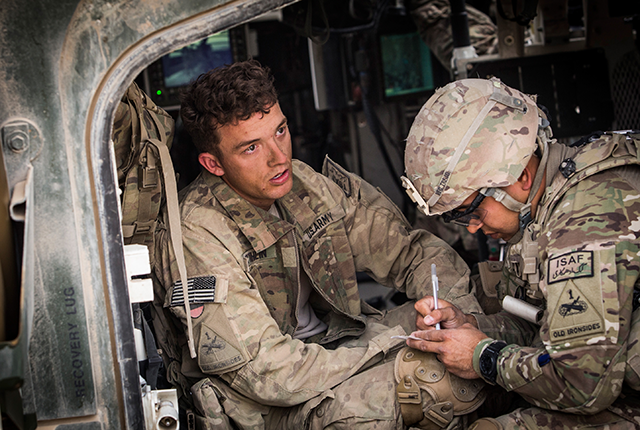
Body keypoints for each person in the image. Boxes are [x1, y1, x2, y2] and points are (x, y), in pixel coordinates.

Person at [154, 59, 486, 429]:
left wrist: (463, 318)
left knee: (491, 332)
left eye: (280, 131)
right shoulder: (197, 231)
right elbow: (268, 373)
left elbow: (410, 253)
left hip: (336, 350)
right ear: (213, 164)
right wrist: (391, 346)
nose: (278, 157)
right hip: (270, 404)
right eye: (250, 148)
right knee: (440, 383)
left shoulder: (301, 183)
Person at [400, 77, 640, 429]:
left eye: (471, 211)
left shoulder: (583, 223)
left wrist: (482, 356)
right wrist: (469, 327)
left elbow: (582, 387)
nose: (470, 227)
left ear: (520, 179)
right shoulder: (544, 205)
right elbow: (537, 326)